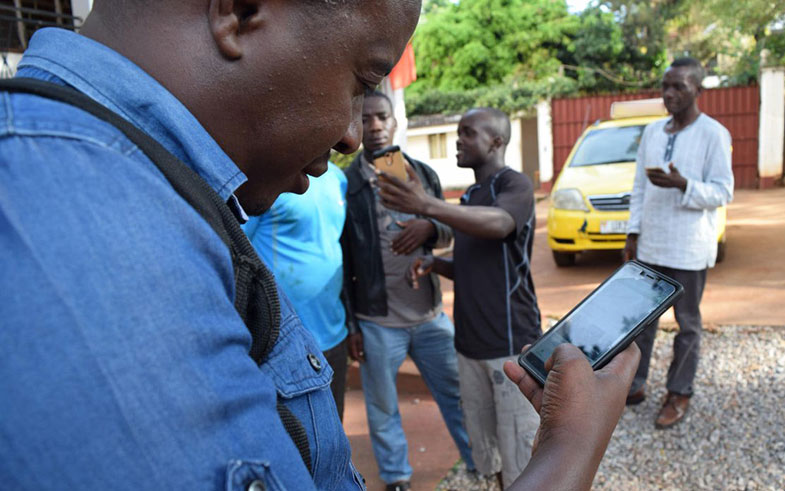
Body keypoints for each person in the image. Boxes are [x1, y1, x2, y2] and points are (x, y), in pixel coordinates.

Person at [0, 1, 640, 489]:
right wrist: (570, 447)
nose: (351, 135)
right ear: (240, 11)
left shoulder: (143, 187)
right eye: (362, 78)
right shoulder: (81, 246)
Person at [378, 107, 543, 488]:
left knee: (522, 454)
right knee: (490, 453)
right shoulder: (470, 196)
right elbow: (471, 262)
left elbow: (501, 224)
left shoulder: (513, 185)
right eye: (459, 132)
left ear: (496, 142)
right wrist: (434, 264)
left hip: (510, 346)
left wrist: (427, 206)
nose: (458, 139)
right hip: (469, 347)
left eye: (468, 133)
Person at [342, 90, 474, 491]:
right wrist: (352, 325)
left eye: (382, 117)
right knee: (382, 408)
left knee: (458, 395)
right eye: (366, 120)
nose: (376, 126)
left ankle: (479, 461)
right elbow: (343, 260)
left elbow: (454, 226)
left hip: (430, 316)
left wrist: (431, 227)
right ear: (356, 126)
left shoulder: (421, 174)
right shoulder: (348, 186)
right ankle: (397, 477)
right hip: (378, 321)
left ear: (395, 121)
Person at [623, 57, 734, 429]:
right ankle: (634, 384)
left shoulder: (713, 134)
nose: (669, 94)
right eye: (665, 86)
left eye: (679, 87)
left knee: (686, 324)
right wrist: (632, 232)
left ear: (698, 91)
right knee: (642, 322)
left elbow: (723, 191)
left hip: (688, 248)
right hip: (651, 243)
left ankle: (679, 391)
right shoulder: (653, 133)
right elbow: (638, 187)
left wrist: (685, 185)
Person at [243, 163, 350, 421]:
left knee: (334, 429)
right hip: (280, 339)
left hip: (332, 331)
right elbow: (237, 249)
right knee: (291, 441)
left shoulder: (338, 177)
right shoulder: (267, 179)